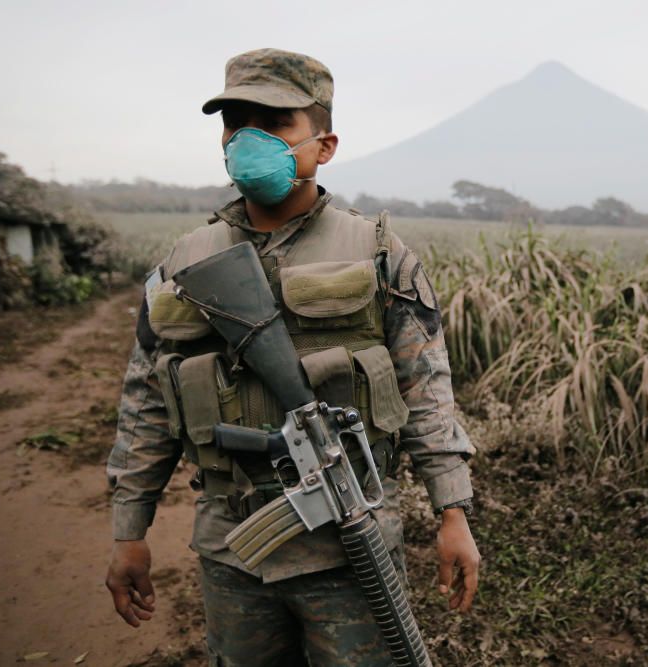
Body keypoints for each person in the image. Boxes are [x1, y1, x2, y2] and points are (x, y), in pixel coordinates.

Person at [104, 48, 480, 666]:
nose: (248, 139)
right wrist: (128, 530)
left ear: (324, 145)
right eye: (235, 123)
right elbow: (146, 402)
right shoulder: (183, 260)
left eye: (275, 124)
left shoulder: (379, 253)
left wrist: (453, 510)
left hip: (347, 545)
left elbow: (426, 392)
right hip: (232, 548)